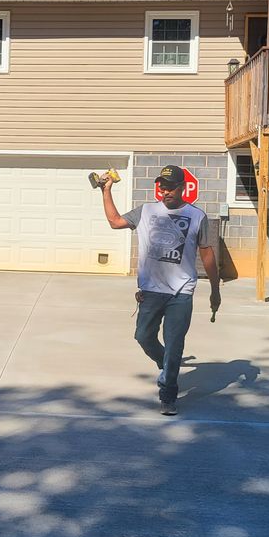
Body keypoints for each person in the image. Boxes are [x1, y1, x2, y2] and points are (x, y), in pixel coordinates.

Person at [100, 164, 221, 415]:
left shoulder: (197, 216)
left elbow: (207, 253)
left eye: (169, 187)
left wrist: (214, 289)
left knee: (175, 344)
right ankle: (165, 363)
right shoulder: (146, 211)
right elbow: (114, 221)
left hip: (181, 292)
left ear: (182, 188)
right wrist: (106, 190)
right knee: (143, 336)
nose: (164, 191)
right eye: (161, 186)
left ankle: (168, 393)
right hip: (150, 291)